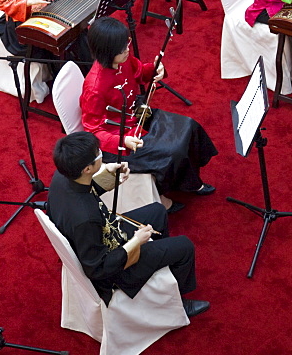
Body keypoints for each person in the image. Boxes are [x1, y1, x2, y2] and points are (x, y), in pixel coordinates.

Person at [46, 131, 209, 317]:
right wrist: (136, 242)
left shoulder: (62, 177)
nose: (102, 155)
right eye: (99, 154)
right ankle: (175, 307)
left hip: (104, 233)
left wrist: (109, 178)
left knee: (157, 210)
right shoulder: (86, 219)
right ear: (87, 169)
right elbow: (97, 268)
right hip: (112, 269)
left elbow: (84, 195)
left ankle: (159, 267)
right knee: (184, 247)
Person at [81, 16, 218, 208]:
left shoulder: (124, 59)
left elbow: (140, 73)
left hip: (136, 116)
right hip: (119, 138)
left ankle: (189, 181)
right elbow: (92, 130)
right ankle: (164, 200)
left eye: (127, 43)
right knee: (172, 151)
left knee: (188, 126)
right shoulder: (94, 87)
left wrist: (155, 69)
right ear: (107, 52)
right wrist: (122, 141)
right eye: (122, 48)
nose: (127, 49)